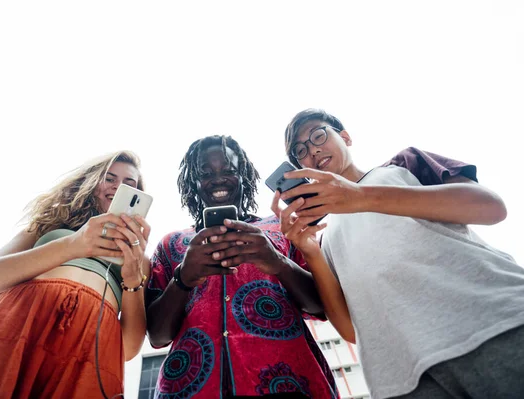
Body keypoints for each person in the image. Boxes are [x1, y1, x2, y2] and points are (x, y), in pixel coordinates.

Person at [275, 108, 524, 399]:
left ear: (345, 137)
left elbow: (490, 207)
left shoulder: (403, 164)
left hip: (494, 325)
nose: (313, 149)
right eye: (300, 150)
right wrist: (310, 251)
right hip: (403, 378)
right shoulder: (326, 236)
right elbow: (349, 330)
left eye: (318, 135)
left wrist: (360, 196)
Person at [0, 151, 151, 399]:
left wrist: (132, 279)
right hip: (18, 325)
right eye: (110, 178)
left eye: (130, 184)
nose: (119, 187)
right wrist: (74, 244)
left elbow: (127, 349)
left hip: (88, 350)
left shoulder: (141, 260)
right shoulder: (48, 225)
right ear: (90, 183)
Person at [145, 135, 339, 399]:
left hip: (291, 382)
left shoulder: (283, 229)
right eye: (205, 173)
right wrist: (182, 279)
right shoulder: (171, 245)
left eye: (229, 171)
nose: (218, 179)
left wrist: (278, 262)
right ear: (194, 182)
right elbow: (157, 336)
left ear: (244, 177)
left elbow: (322, 307)